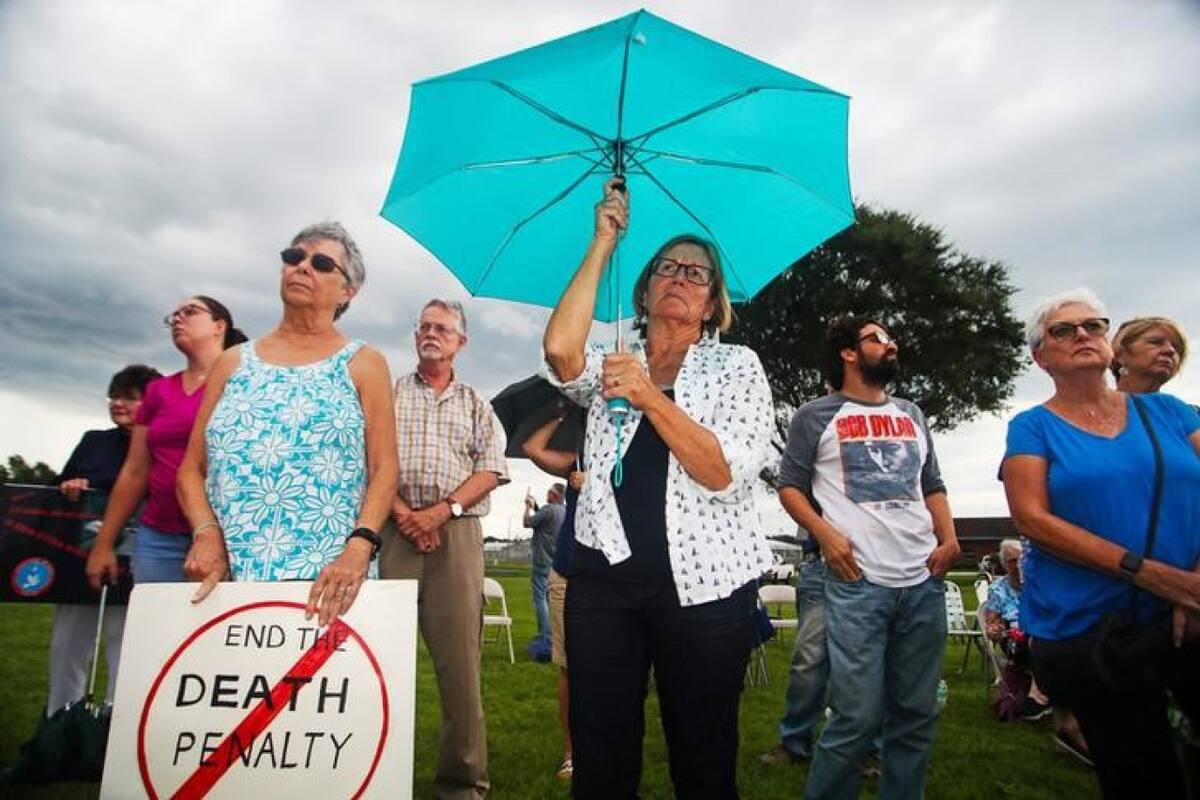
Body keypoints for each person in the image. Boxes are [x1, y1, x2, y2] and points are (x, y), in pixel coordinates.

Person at [542, 179, 774, 800]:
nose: (680, 276)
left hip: (704, 593)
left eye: (697, 274)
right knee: (601, 756)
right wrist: (603, 241)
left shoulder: (736, 366)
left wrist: (647, 396)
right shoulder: (615, 360)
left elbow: (723, 471)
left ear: (711, 303)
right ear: (644, 291)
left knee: (702, 757)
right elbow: (561, 352)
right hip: (602, 583)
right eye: (666, 268)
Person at [1001, 288, 1200, 798]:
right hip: (1099, 630)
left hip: (1190, 611)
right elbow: (1033, 519)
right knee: (1142, 773)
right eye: (1063, 331)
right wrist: (1150, 573)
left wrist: (1193, 582)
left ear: (1111, 342)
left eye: (1093, 325)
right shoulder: (1033, 427)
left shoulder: (1173, 415)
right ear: (1040, 356)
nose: (1082, 335)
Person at [176, 222, 399, 627]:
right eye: (294, 257)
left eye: (321, 263)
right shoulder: (232, 363)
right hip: (227, 573)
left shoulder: (363, 364)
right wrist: (206, 533)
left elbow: (384, 469)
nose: (302, 267)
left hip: (330, 580)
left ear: (348, 291)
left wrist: (360, 546)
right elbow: (191, 469)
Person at [778, 316, 960, 800]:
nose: (891, 343)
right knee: (856, 717)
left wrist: (950, 539)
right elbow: (790, 487)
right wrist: (827, 537)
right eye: (877, 337)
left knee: (916, 715)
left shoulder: (912, 413)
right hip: (858, 582)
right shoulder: (815, 415)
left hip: (923, 582)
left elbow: (932, 485)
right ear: (848, 353)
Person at [381, 298, 508, 800]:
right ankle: (374, 772)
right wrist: (404, 515)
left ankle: (461, 784)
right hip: (394, 529)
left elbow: (491, 469)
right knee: (382, 655)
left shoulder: (477, 403)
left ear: (461, 341)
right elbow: (372, 460)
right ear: (415, 337)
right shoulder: (388, 394)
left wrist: (441, 513)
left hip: (455, 535)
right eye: (424, 326)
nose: (431, 333)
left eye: (443, 328)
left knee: (460, 665)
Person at [86, 297, 245, 591]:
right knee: (155, 629)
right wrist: (104, 542)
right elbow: (135, 471)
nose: (177, 319)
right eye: (173, 315)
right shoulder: (159, 392)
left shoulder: (243, 383)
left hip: (226, 535)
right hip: (158, 535)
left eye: (190, 312)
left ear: (219, 326)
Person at [47, 364, 160, 713]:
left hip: (134, 558)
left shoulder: (160, 445)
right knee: (68, 643)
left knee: (122, 642)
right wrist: (70, 486)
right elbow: (58, 487)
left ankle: (113, 726)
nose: (117, 403)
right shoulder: (93, 441)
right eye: (114, 396)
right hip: (81, 555)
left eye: (129, 397)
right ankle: (59, 721)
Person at [521, 410, 587, 781]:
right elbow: (533, 447)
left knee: (615, 670)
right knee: (570, 668)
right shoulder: (575, 462)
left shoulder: (636, 455)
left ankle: (607, 747)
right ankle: (571, 752)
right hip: (569, 572)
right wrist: (563, 416)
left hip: (616, 579)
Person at [980, 539, 1053, 721]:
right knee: (1038, 641)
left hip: (1043, 635)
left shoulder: (1038, 586)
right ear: (1004, 564)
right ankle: (1039, 698)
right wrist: (994, 630)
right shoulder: (998, 589)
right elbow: (992, 624)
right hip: (1014, 639)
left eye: (1020, 559)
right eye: (1011, 561)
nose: (1017, 565)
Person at [523, 482, 566, 658]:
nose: (547, 494)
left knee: (540, 599)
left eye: (549, 492)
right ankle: (555, 637)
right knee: (551, 601)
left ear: (554, 495)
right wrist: (536, 507)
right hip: (556, 562)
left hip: (542, 560)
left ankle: (544, 637)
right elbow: (547, 520)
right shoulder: (564, 511)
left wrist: (527, 507)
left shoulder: (548, 510)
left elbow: (527, 523)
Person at [1111, 315, 1189, 394]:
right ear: (1120, 355)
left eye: (1177, 347)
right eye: (1156, 342)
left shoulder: (1181, 406)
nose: (1171, 350)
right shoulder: (1100, 405)